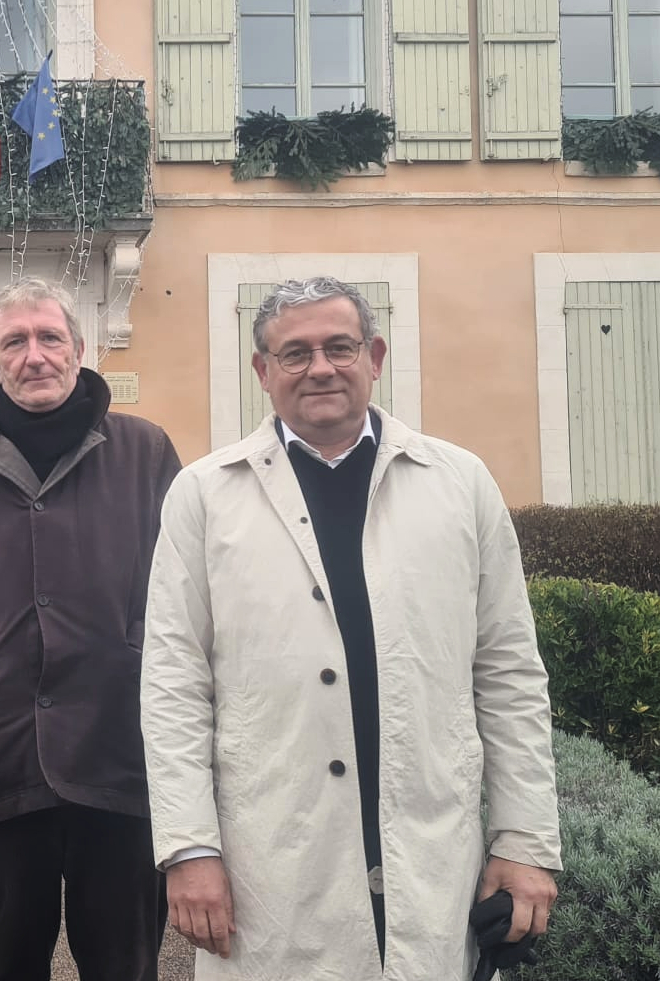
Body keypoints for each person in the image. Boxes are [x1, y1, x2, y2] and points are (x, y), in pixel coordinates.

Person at [140, 276, 561, 980]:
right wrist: (188, 849)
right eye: (295, 352)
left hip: (430, 840)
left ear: (373, 355)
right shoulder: (205, 495)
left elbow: (509, 672)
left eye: (339, 346)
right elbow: (173, 682)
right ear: (262, 371)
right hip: (271, 854)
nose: (321, 367)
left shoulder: (459, 482)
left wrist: (522, 838)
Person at [0, 277, 181, 981]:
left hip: (122, 754)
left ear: (80, 350)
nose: (34, 355)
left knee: (125, 965)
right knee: (3, 964)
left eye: (49, 337)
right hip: (0, 756)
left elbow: (186, 589)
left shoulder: (145, 451)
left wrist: (137, 653)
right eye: (14, 341)